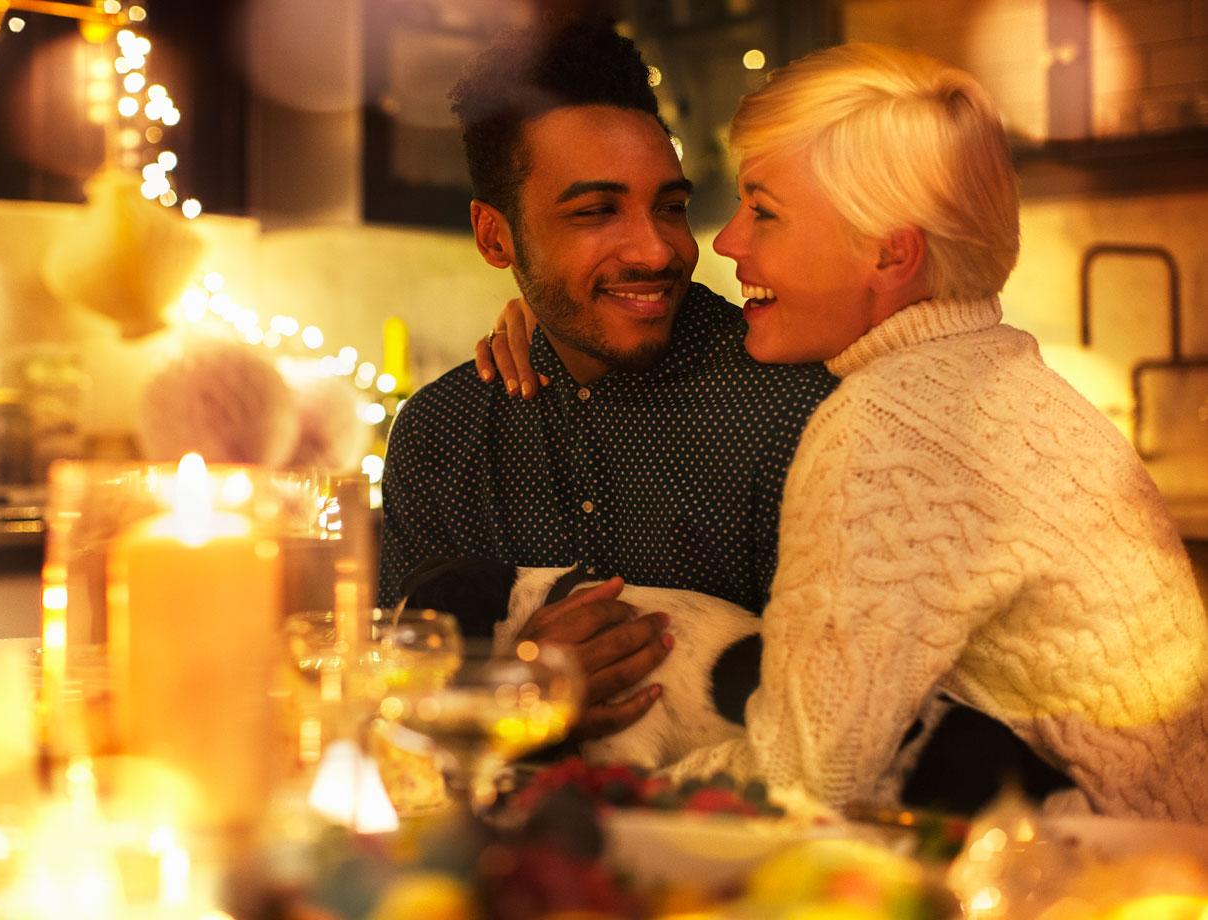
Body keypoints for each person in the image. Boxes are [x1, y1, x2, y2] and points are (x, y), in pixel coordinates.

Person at [484, 42, 1208, 820]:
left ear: (890, 253)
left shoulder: (888, 427)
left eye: (764, 210)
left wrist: (586, 802)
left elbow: (805, 778)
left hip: (1095, 882)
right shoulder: (985, 373)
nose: (724, 243)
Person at [379, 17, 837, 741]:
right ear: (496, 237)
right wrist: (514, 701)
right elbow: (393, 707)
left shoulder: (793, 413)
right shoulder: (443, 436)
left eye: (671, 206)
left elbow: (855, 723)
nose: (657, 249)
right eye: (596, 212)